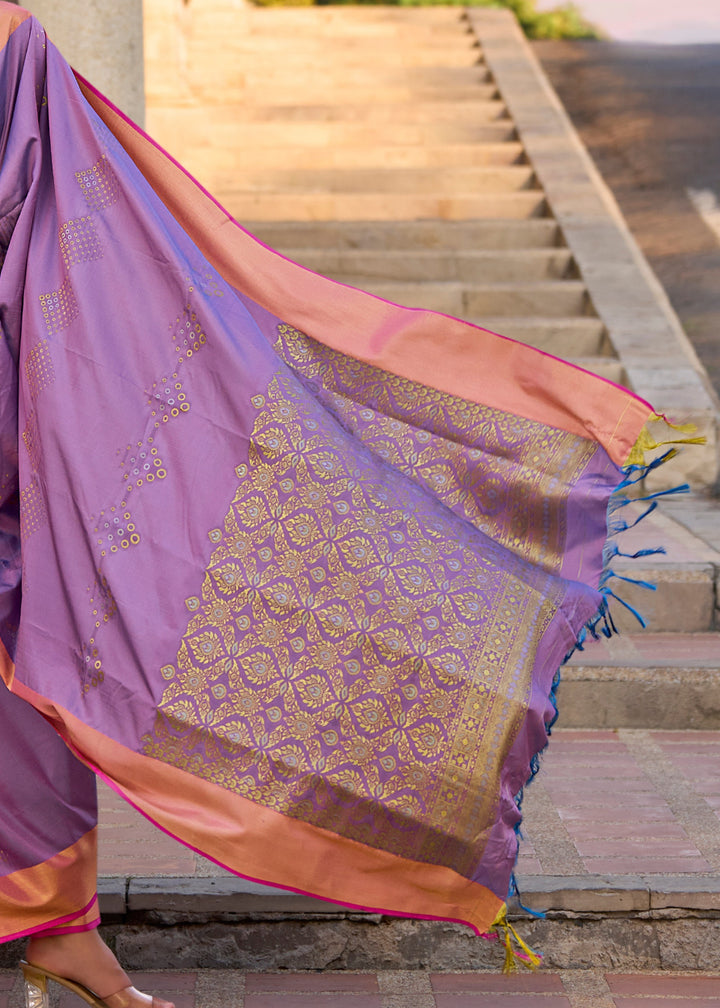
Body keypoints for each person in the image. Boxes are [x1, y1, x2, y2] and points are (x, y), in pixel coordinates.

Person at [0, 3, 692, 1003]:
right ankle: (53, 929)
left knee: (44, 633)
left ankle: (54, 924)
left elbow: (78, 213)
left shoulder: (12, 43)